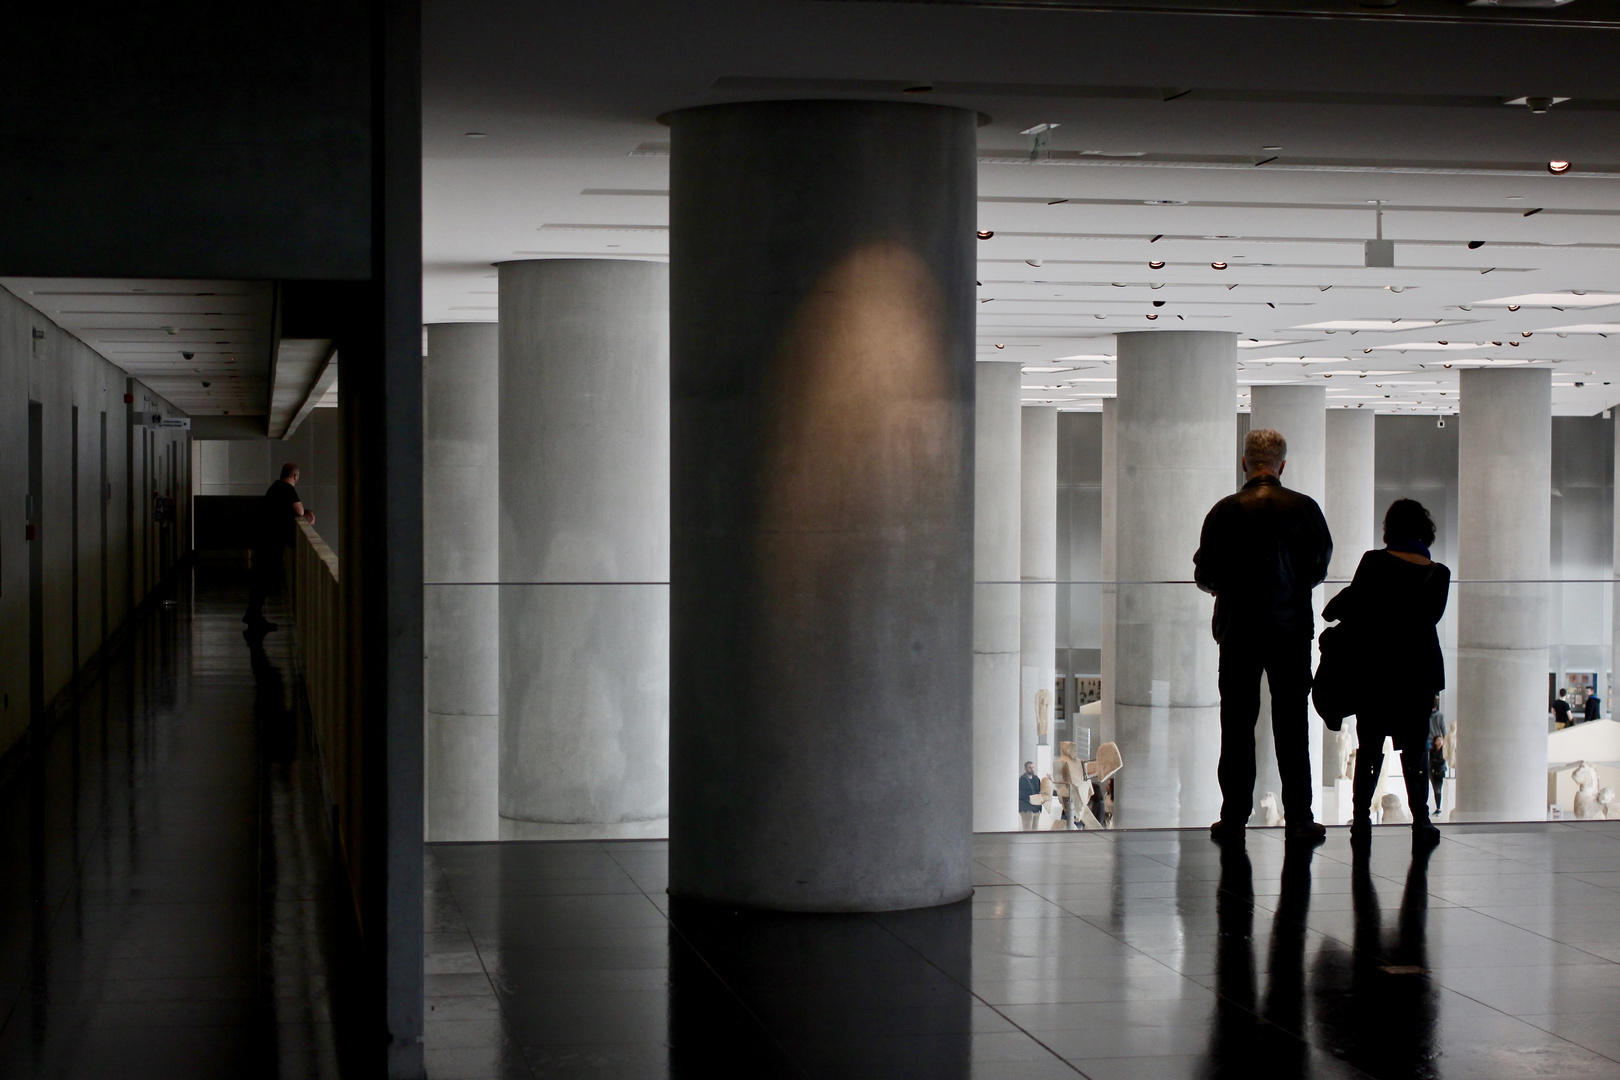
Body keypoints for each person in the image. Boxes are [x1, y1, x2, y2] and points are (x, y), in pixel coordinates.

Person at [1195, 428, 1333, 844]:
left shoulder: (1224, 511)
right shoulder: (1304, 509)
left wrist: (1224, 587)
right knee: (1292, 726)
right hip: (1290, 631)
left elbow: (1205, 574)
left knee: (1236, 724)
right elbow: (1317, 568)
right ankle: (1300, 817)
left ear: (1245, 464)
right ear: (1282, 466)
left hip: (1238, 630)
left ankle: (1234, 815)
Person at [1321, 498, 1450, 847]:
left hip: (1375, 670)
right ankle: (1421, 820)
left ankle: (1361, 818)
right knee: (1415, 750)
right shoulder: (1439, 574)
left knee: (1370, 746)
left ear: (1390, 529)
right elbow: (1430, 619)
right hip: (1418, 675)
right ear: (1425, 530)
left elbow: (1357, 604)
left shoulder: (1374, 562)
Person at [244, 463, 315, 631]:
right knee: (267, 576)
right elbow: (298, 510)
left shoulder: (275, 487)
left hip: (265, 539)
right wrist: (308, 515)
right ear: (295, 477)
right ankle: (254, 614)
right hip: (272, 541)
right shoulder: (286, 488)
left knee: (263, 577)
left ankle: (254, 613)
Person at [1018, 761, 1042, 831]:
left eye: (1033, 767)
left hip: (1036, 808)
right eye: (1030, 768)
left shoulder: (1036, 779)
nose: (1032, 769)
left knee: (1035, 830)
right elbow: (1021, 794)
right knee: (1027, 830)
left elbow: (1041, 790)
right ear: (1025, 768)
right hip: (1027, 808)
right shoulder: (1022, 779)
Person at [1428, 735, 1447, 815]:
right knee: (1435, 789)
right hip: (1432, 772)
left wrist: (1435, 762)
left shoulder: (1444, 751)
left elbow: (1442, 762)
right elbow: (1430, 761)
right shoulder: (1431, 751)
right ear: (1435, 742)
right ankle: (1437, 807)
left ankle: (1438, 808)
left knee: (1438, 789)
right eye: (1438, 740)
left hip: (1440, 772)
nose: (1440, 742)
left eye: (1441, 740)